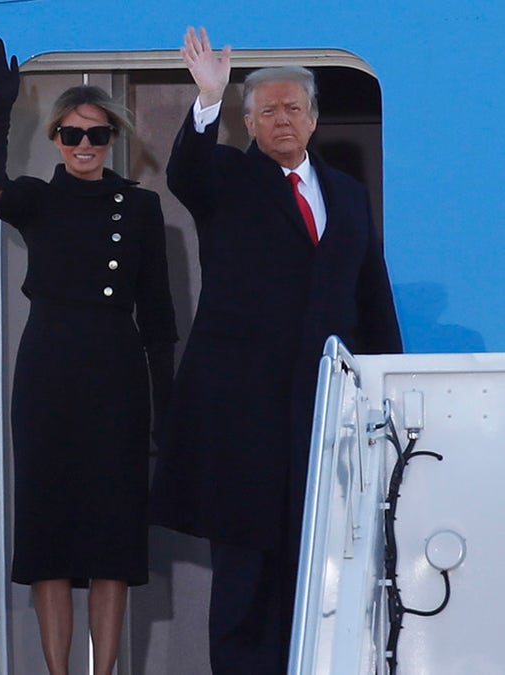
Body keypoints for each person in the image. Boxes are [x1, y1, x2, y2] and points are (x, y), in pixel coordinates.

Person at [149, 27, 403, 674]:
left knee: (319, 558)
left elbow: (370, 292)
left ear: (314, 119)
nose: (282, 119)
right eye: (268, 110)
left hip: (324, 411)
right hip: (244, 413)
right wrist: (206, 98)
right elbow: (187, 173)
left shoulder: (347, 192)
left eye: (294, 108)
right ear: (249, 122)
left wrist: (388, 382)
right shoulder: (228, 176)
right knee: (245, 568)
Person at [0, 37, 177, 675]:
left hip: (116, 376)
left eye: (94, 136)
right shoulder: (38, 198)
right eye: (69, 135)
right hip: (50, 374)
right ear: (56, 139)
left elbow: (160, 317)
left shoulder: (141, 209)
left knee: (113, 542)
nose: (83, 147)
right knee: (50, 538)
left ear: (112, 139)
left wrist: (164, 409)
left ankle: (105, 670)